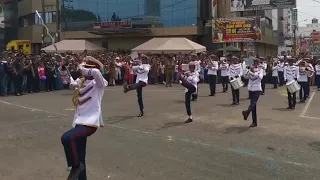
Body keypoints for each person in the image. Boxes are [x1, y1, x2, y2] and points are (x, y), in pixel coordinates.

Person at [61, 56, 108, 180]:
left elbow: (97, 72)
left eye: (87, 69)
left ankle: (75, 166)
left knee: (67, 137)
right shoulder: (81, 82)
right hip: (79, 121)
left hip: (90, 123)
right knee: (81, 155)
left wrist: (82, 68)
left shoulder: (99, 84)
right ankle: (80, 171)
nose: (84, 72)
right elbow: (67, 81)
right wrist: (64, 69)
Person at [242, 58, 263, 127]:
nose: (255, 64)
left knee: (253, 103)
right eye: (254, 62)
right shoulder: (249, 69)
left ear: (258, 63)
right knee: (253, 105)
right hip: (250, 89)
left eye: (256, 62)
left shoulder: (261, 70)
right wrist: (246, 70)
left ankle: (247, 112)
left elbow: (260, 77)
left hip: (257, 89)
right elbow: (245, 77)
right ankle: (254, 122)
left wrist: (252, 71)